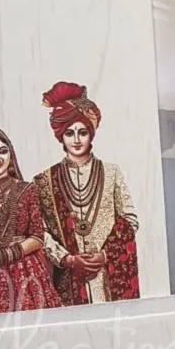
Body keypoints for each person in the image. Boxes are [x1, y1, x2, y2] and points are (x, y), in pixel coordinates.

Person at [33, 82, 140, 304]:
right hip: (67, 279)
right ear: (61, 136)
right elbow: (38, 230)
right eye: (69, 133)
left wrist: (106, 255)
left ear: (91, 134)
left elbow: (129, 219)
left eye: (82, 132)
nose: (76, 140)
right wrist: (68, 259)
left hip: (107, 277)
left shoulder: (111, 173)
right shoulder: (44, 181)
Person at [0, 128, 62, 317]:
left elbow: (37, 238)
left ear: (11, 155)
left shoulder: (28, 191)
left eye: (3, 151)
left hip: (28, 273)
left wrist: (0, 256)